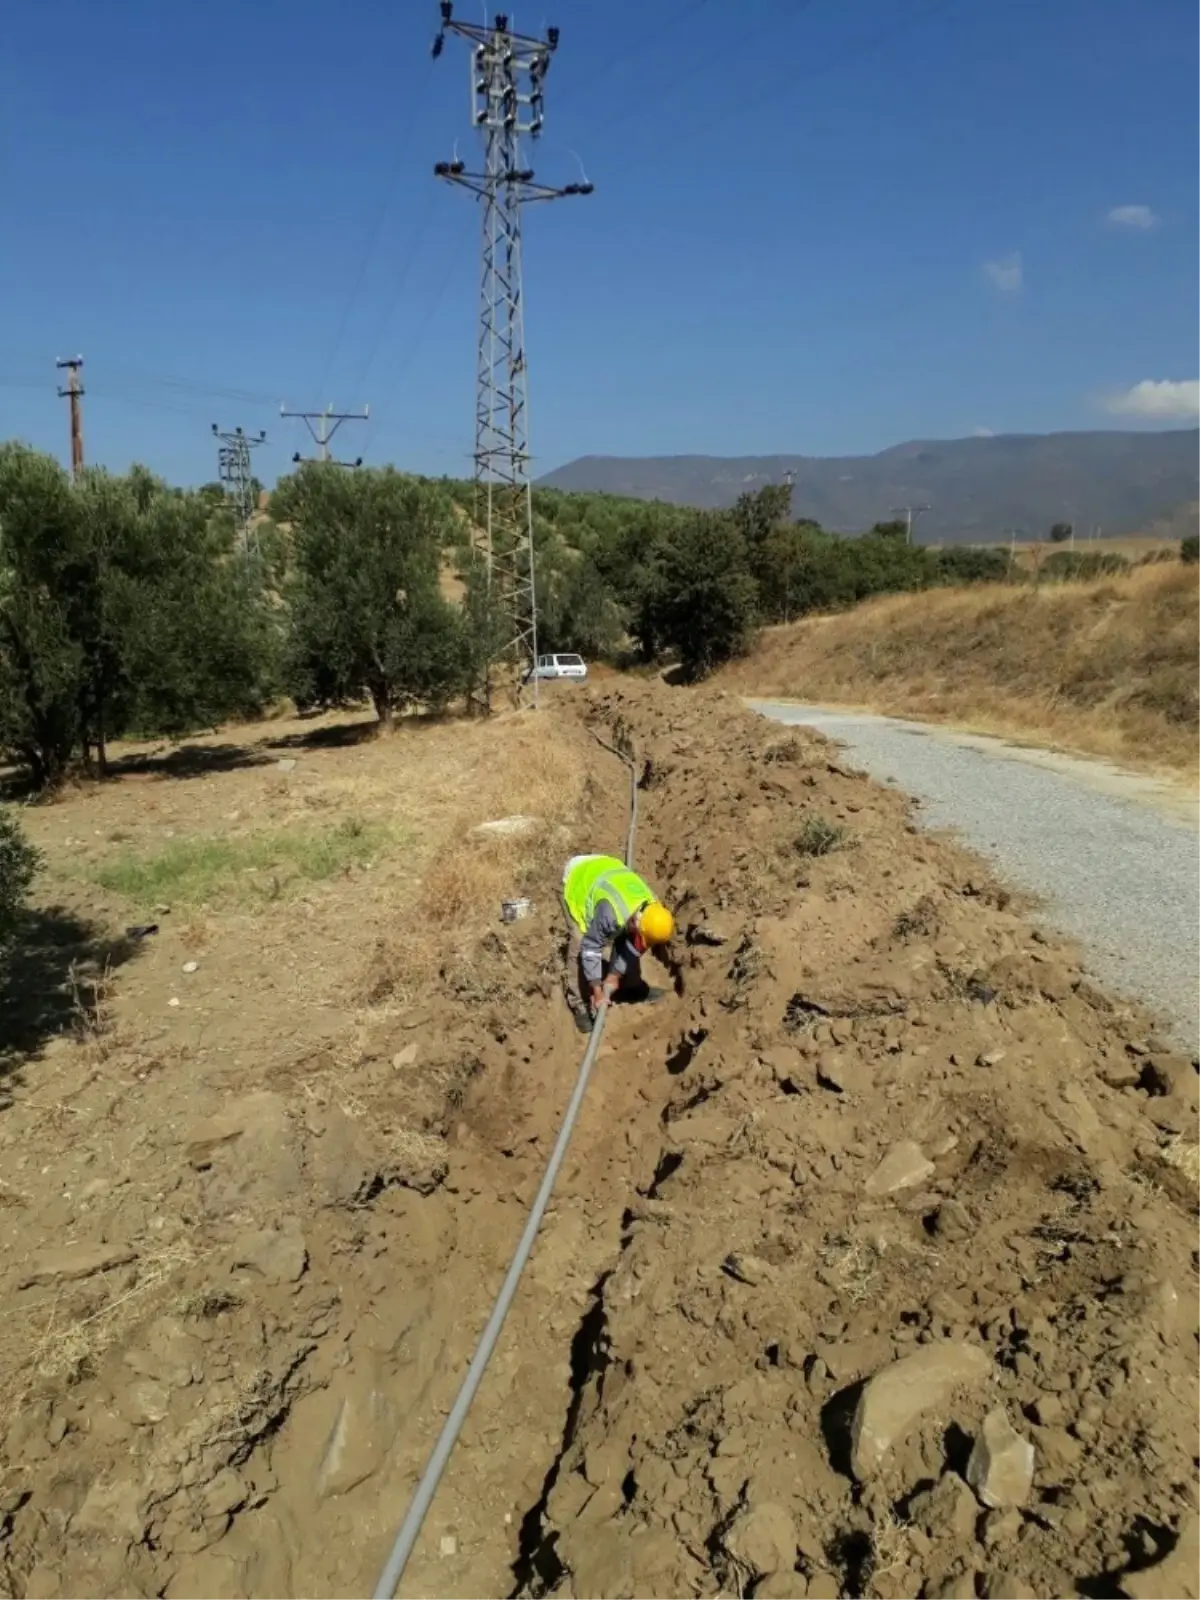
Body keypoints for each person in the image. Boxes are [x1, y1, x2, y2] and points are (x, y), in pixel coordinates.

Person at [561, 853, 676, 1033]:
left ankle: (631, 987)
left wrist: (614, 975)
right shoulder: (610, 913)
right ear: (637, 921)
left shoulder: (652, 908)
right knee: (580, 944)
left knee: (628, 937)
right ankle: (580, 1005)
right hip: (579, 879)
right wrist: (598, 992)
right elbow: (591, 948)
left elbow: (634, 944)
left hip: (607, 869)